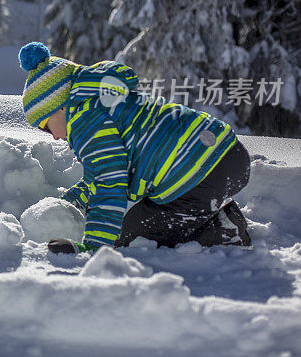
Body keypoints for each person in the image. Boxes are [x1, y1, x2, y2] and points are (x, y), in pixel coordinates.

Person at [18, 42, 252, 253]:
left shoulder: (84, 120)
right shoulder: (108, 101)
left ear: (59, 106)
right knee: (155, 210)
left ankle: (223, 231)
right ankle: (216, 211)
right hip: (229, 155)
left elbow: (110, 182)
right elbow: (106, 170)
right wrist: (74, 200)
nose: (55, 137)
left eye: (46, 127)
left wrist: (94, 247)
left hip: (197, 180)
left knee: (130, 235)